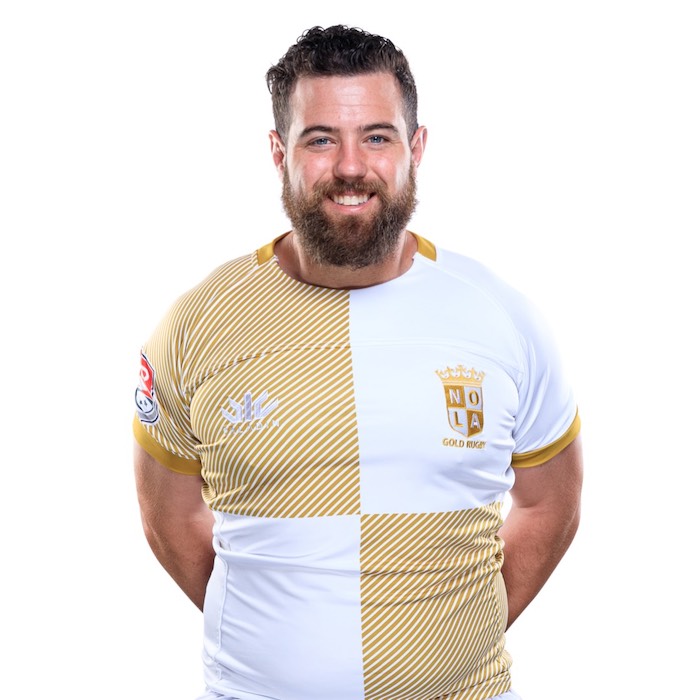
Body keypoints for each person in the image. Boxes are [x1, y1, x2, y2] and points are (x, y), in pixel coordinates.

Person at [133, 25, 583, 700]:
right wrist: (270, 640)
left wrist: (458, 641)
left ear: (416, 148)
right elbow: (169, 518)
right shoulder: (197, 324)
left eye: (377, 136)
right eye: (321, 139)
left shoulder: (502, 317)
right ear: (279, 152)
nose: (350, 166)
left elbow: (552, 502)